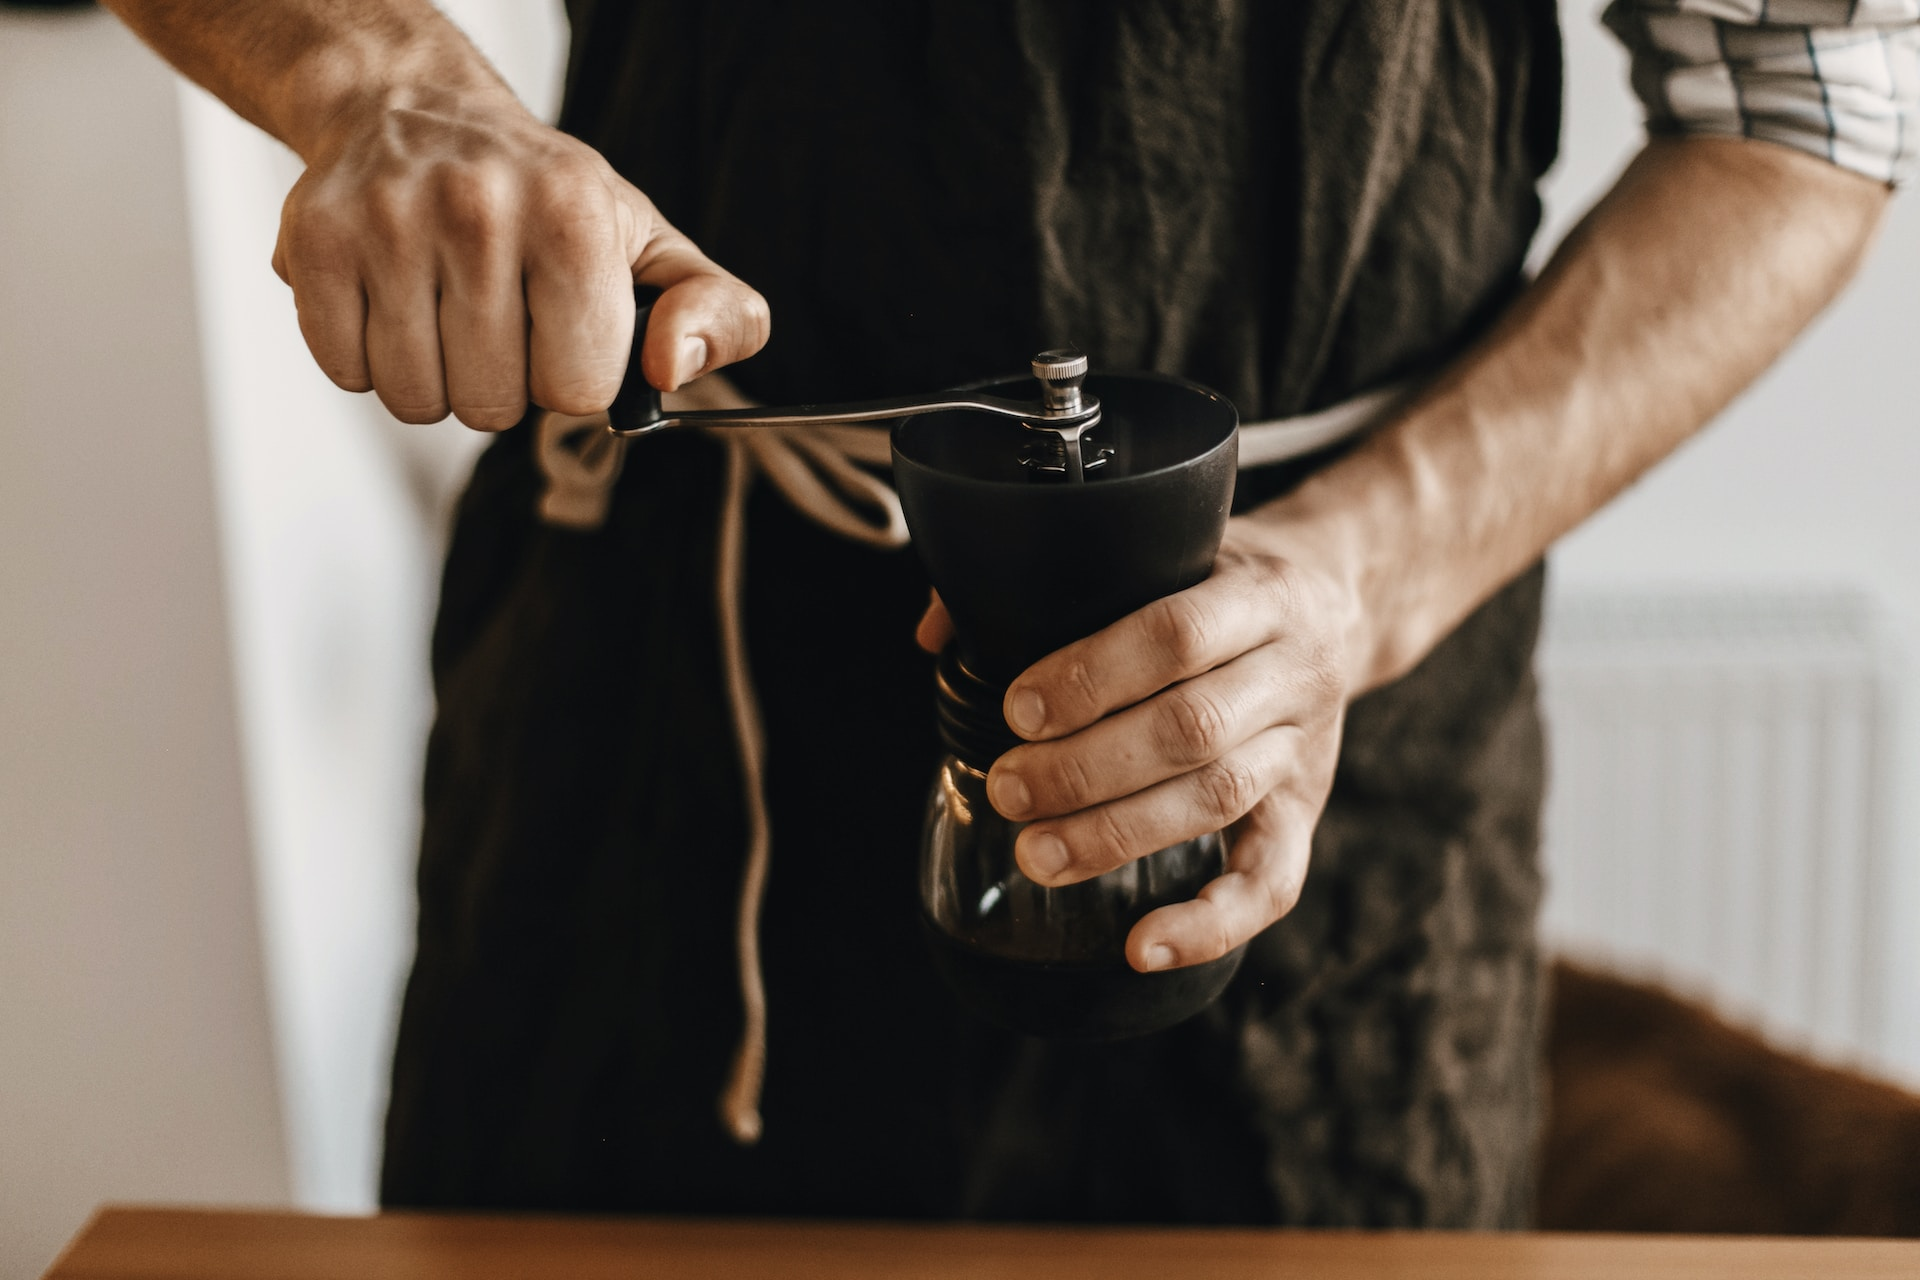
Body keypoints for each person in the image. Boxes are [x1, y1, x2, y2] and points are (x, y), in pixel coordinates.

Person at [105, 0, 1913, 1226]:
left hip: (1329, 726)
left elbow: (1800, 99)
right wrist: (376, 75)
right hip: (668, 712)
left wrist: (1362, 574)